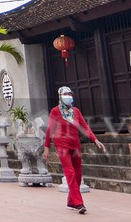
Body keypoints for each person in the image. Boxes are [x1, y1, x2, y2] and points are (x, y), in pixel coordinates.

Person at [42, 85, 105, 214]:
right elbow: (50, 129)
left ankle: (71, 201)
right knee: (70, 173)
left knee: (78, 174)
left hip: (75, 144)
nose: (69, 97)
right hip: (62, 144)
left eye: (70, 94)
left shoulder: (76, 111)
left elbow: (84, 126)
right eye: (66, 95)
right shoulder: (55, 111)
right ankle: (78, 203)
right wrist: (47, 147)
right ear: (60, 97)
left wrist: (95, 139)